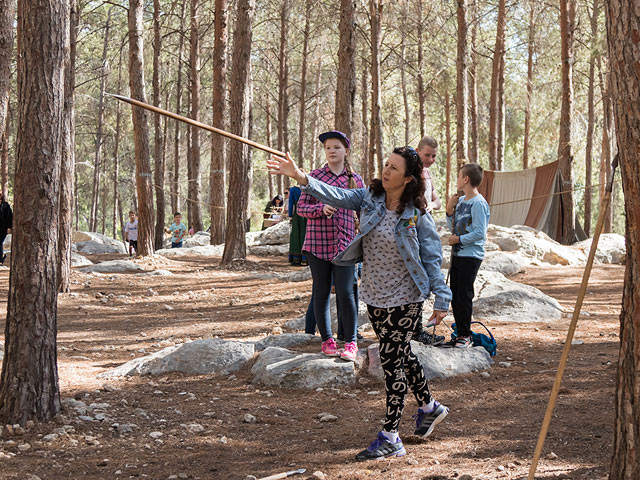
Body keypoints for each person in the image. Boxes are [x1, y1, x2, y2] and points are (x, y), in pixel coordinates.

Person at [268, 146, 452, 461]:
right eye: (386, 164)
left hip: (407, 297)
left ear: (408, 179)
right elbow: (335, 195)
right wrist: (300, 177)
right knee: (402, 353)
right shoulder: (368, 199)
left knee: (392, 363)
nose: (386, 170)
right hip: (374, 294)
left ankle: (390, 437)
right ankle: (429, 407)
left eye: (394, 168)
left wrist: (442, 296)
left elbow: (432, 256)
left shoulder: (417, 214)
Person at [295, 130, 364, 362]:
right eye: (328, 148)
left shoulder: (355, 180)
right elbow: (301, 208)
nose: (332, 151)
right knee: (321, 291)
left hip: (345, 245)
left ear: (346, 150)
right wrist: (319, 210)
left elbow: (364, 211)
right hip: (317, 244)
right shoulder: (314, 176)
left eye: (336, 147)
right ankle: (327, 340)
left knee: (346, 292)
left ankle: (351, 341)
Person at [443, 163, 490, 348]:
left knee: (464, 295)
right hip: (458, 254)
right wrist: (449, 210)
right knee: (455, 295)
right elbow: (453, 228)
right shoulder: (461, 202)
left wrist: (459, 240)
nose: (457, 179)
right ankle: (461, 332)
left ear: (466, 180)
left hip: (471, 255)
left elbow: (480, 233)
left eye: (459, 175)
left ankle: (465, 335)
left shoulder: (479, 203)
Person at [416, 135, 442, 212]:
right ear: (417, 151)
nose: (430, 159)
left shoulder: (426, 172)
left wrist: (432, 204)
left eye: (433, 156)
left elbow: (438, 202)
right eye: (427, 155)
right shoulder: (409, 172)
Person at [288, 185, 307, 266]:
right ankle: (305, 259)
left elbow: (291, 203)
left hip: (297, 214)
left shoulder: (293, 190)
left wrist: (290, 215)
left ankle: (296, 258)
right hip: (307, 213)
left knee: (296, 235)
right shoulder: (309, 188)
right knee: (305, 235)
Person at [0, 193, 13, 265]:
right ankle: (2, 257)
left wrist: (9, 227)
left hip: (3, 228)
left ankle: (0, 260)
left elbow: (9, 217)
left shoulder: (5, 206)